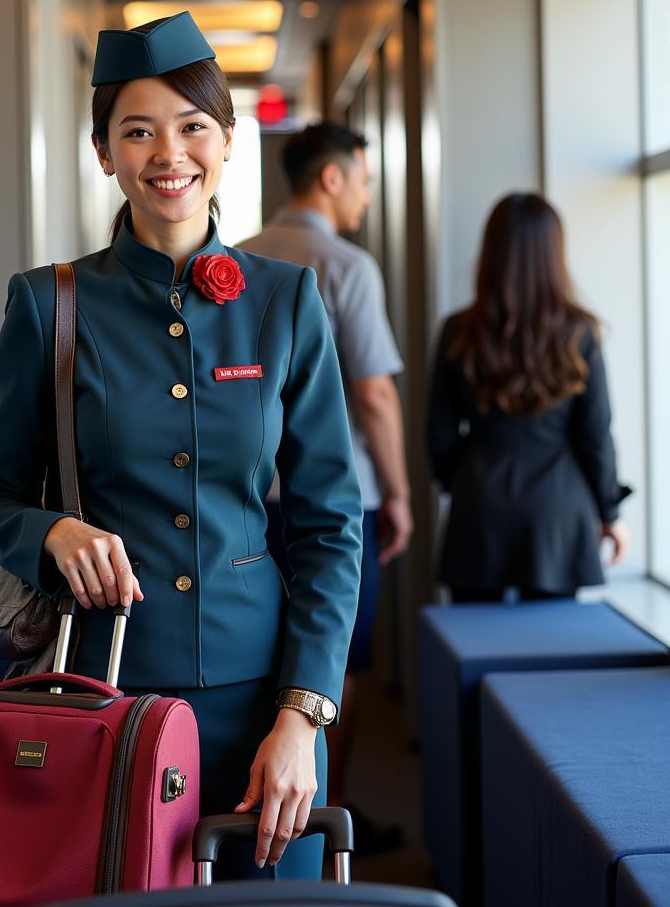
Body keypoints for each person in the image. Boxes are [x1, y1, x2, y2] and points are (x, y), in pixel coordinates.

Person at [0, 12, 362, 880]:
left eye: (191, 127)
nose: (168, 153)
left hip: (265, 706)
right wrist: (52, 536)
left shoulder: (285, 300)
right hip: (106, 695)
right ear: (105, 153)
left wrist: (303, 716)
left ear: (226, 141)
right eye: (137, 131)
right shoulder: (48, 306)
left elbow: (332, 522)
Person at [239, 122, 411, 853]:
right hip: (337, 504)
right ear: (332, 179)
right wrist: (399, 492)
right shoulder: (345, 265)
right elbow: (372, 393)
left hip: (247, 498)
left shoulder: (234, 258)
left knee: (255, 655)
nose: (368, 199)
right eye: (365, 181)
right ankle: (322, 815)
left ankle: (253, 797)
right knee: (342, 657)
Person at [427, 192, 631, 601]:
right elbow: (595, 436)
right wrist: (610, 513)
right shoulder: (579, 333)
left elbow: (438, 436)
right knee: (550, 652)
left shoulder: (458, 330)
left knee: (471, 649)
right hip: (558, 513)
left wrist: (465, 481)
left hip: (479, 505)